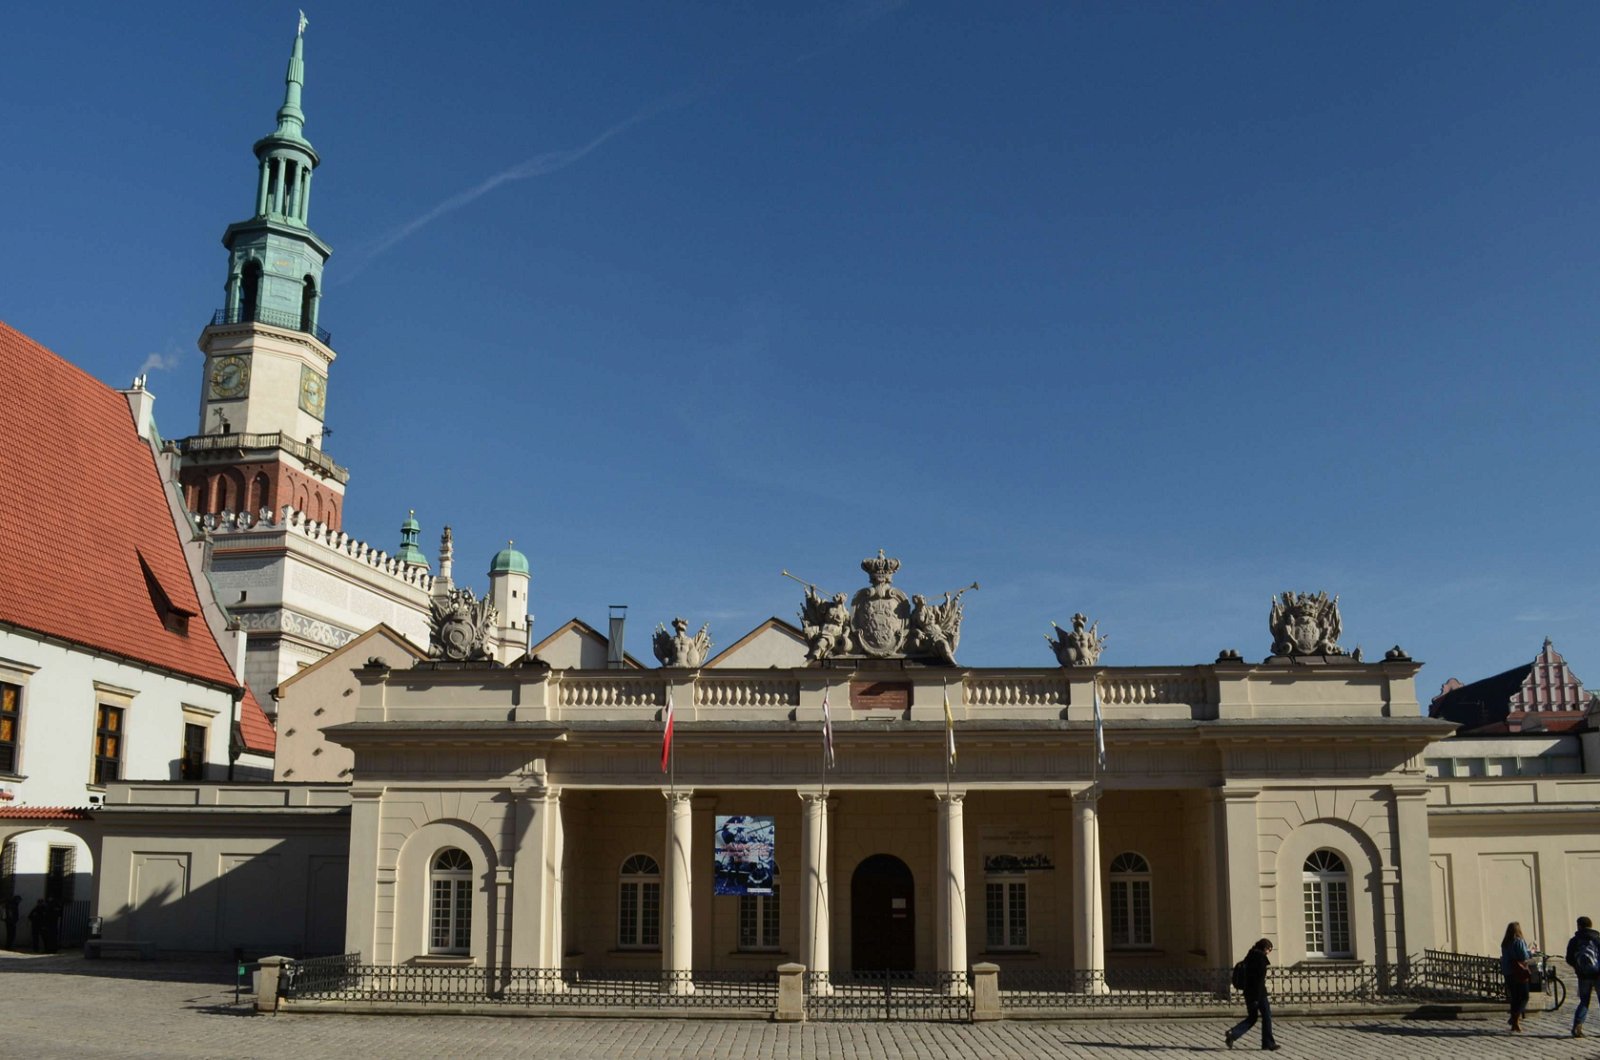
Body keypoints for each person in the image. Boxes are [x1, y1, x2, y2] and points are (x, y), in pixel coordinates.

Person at [1225, 938, 1280, 1051]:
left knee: (1252, 1017)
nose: (1269, 952)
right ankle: (1268, 1043)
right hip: (1258, 994)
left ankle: (1233, 1033)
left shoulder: (1250, 955)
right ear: (1265, 948)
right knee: (1267, 1016)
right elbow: (1258, 980)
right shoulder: (1260, 959)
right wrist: (1257, 998)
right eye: (1269, 949)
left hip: (1248, 992)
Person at [1567, 915, 1600, 1039]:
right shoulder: (1597, 939)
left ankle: (1577, 1025)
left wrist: (1577, 967)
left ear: (1579, 926)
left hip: (1583, 976)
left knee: (1584, 1001)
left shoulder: (1574, 941)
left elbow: (1569, 958)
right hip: (1598, 975)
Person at [1501, 920, 1533, 1032]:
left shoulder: (1505, 942)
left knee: (1514, 998)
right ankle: (1514, 1018)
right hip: (1518, 971)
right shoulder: (1518, 941)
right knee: (1524, 997)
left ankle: (1514, 1020)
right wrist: (1531, 952)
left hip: (1508, 972)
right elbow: (1523, 956)